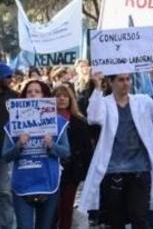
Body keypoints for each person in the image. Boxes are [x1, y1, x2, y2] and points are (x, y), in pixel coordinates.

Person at [78, 70, 153, 229]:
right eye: (121, 80)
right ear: (111, 83)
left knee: (139, 217)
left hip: (140, 168)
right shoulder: (106, 103)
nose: (126, 83)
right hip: (113, 170)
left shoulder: (142, 101)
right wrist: (97, 88)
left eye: (128, 79)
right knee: (116, 220)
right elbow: (93, 117)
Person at [2, 79, 70, 229]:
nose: (33, 94)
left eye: (37, 91)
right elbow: (5, 156)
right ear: (24, 96)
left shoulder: (58, 122)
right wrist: (19, 144)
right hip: (22, 185)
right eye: (29, 91)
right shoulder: (13, 124)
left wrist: (52, 145)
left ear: (44, 96)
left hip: (49, 183)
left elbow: (66, 152)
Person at [54, 84, 93, 229]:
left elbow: (86, 149)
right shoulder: (44, 122)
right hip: (51, 170)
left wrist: (85, 172)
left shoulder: (79, 121)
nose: (62, 99)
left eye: (65, 95)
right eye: (58, 96)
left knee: (67, 208)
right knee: (53, 210)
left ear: (71, 99)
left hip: (72, 171)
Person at [0, 63, 18, 229]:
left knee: (5, 191)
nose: (11, 80)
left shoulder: (15, 97)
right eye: (7, 77)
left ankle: (6, 224)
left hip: (6, 151)